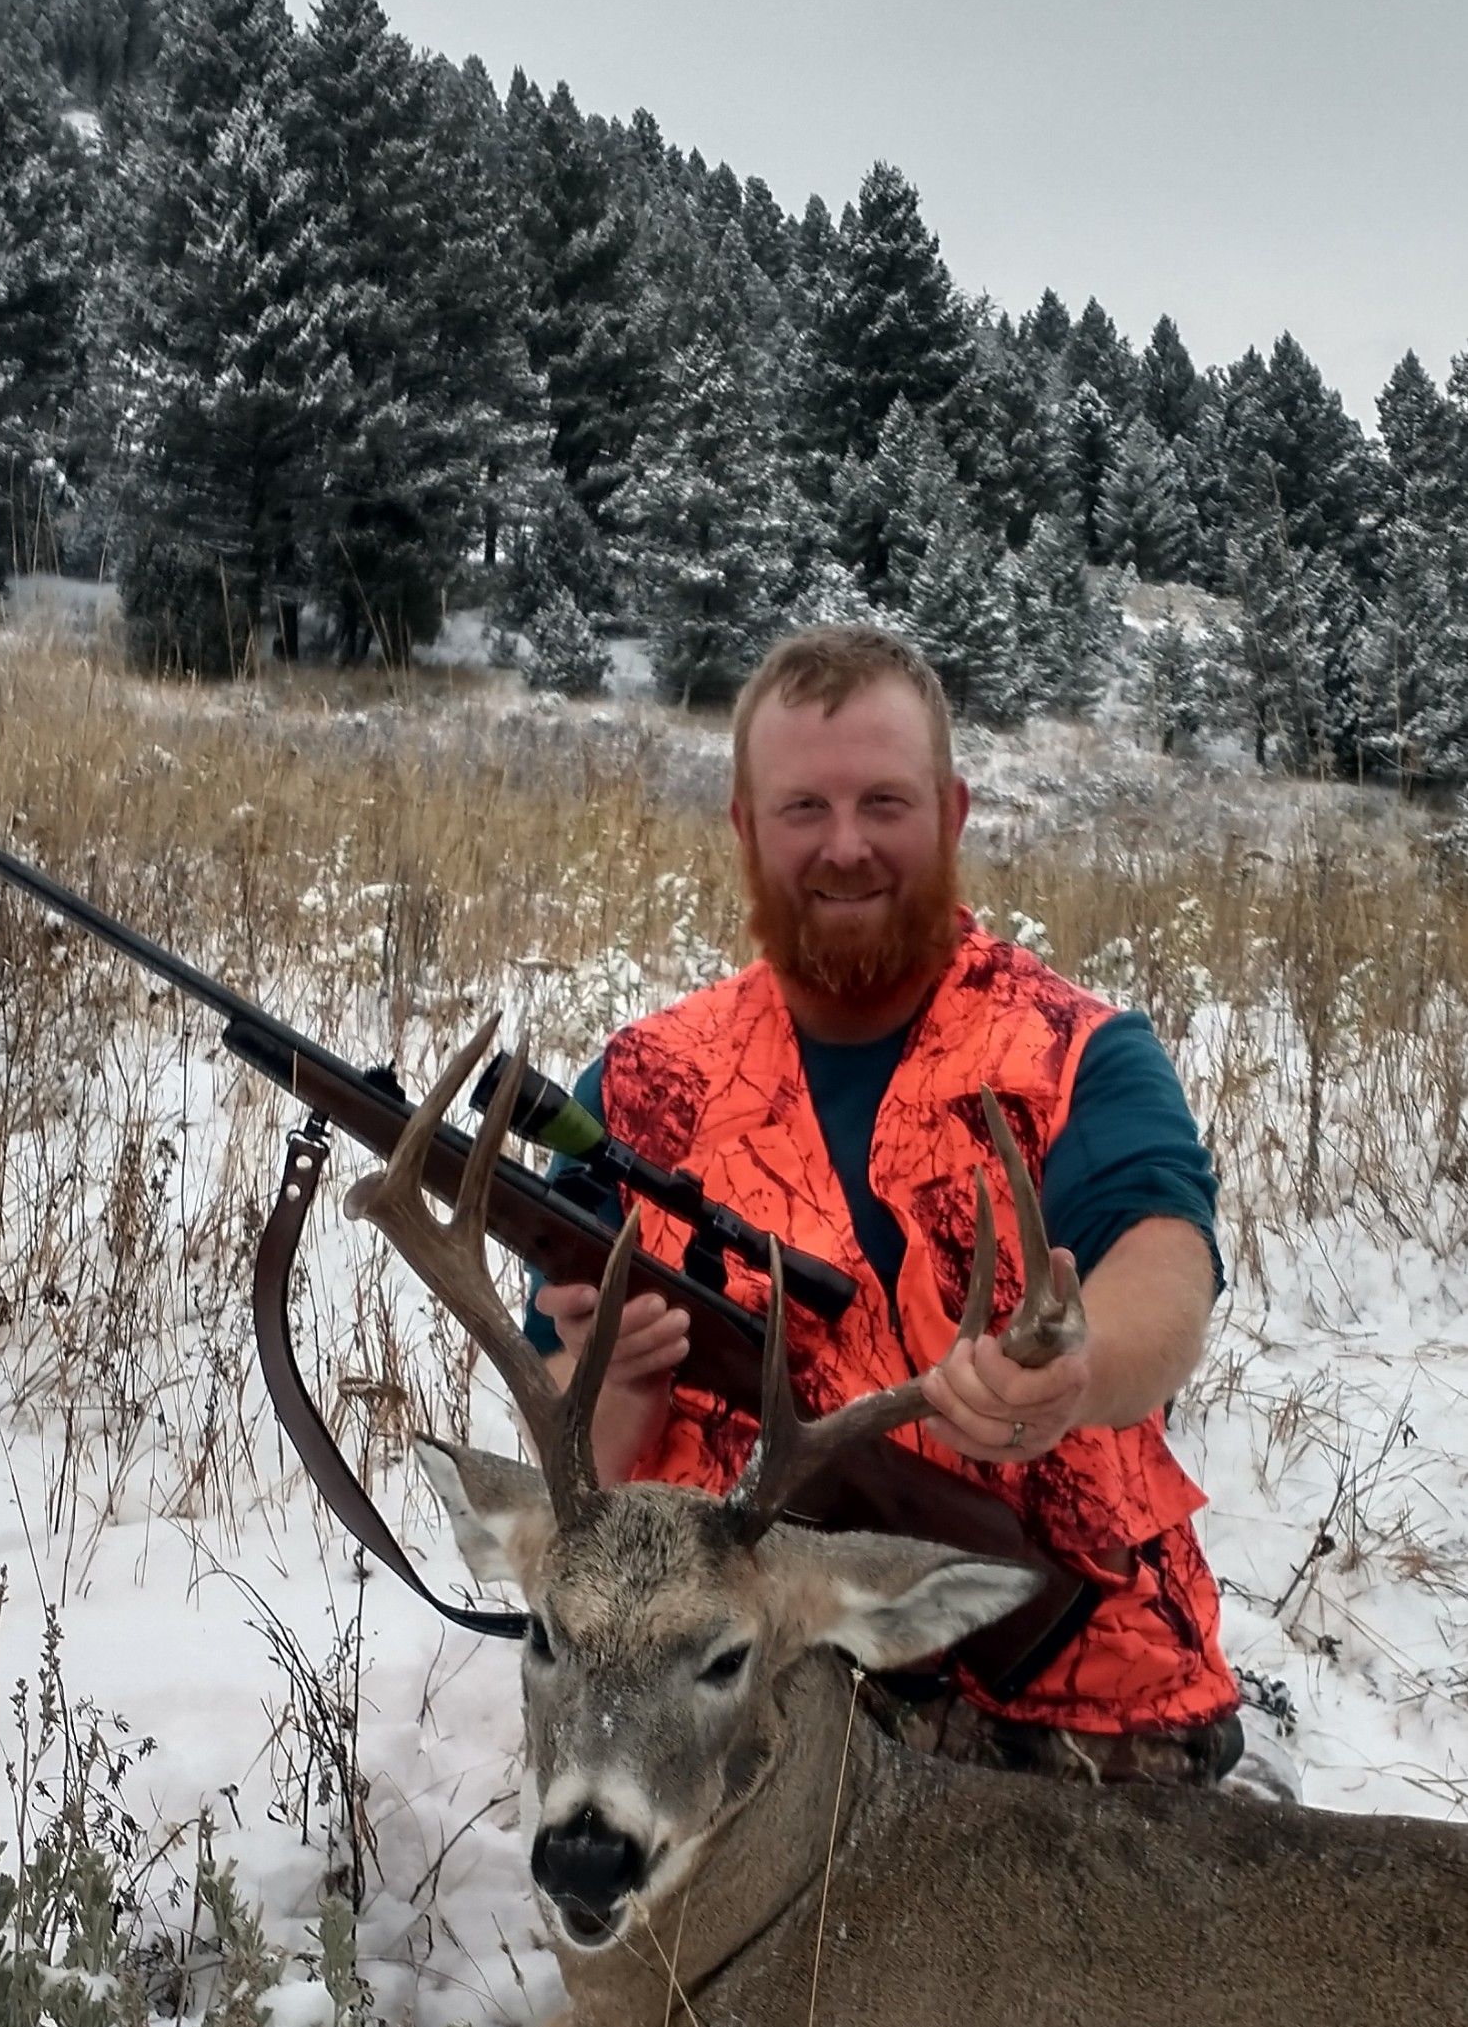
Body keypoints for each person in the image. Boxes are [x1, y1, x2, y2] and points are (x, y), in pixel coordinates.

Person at [528, 623, 1243, 1788]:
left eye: (884, 803)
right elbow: (576, 1465)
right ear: (746, 829)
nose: (845, 846)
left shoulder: (1073, 1053)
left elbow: (1162, 1258)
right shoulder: (641, 1088)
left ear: (952, 813)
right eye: (803, 808)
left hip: (1077, 1705)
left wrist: (1073, 1374)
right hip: (727, 1716)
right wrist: (608, 1386)